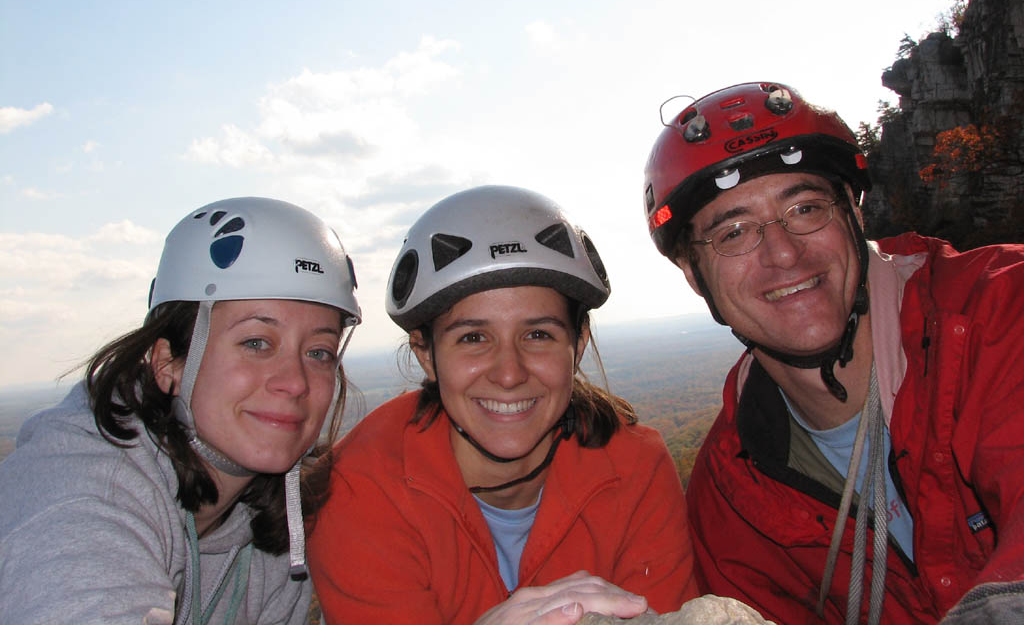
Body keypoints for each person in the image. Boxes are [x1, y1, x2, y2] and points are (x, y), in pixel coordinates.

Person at [642, 81, 1024, 624]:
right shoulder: (732, 500)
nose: (783, 252)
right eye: (733, 233)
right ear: (695, 277)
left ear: (853, 213)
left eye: (805, 208)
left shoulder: (999, 310)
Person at [308, 185, 698, 625]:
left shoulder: (634, 468)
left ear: (579, 344)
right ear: (425, 354)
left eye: (538, 335)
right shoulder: (361, 488)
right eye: (473, 338)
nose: (509, 373)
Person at [0, 196, 361, 625]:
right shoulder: (81, 494)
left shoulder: (276, 537)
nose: (296, 381)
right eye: (256, 343)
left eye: (319, 352)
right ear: (168, 362)